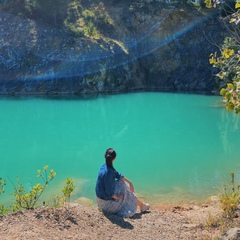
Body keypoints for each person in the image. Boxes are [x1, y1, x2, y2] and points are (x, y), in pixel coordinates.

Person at [95, 148, 150, 217]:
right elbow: (109, 192)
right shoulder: (109, 172)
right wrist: (118, 197)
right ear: (114, 158)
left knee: (122, 183)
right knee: (125, 191)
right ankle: (142, 205)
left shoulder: (104, 166)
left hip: (99, 202)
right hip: (106, 206)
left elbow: (118, 175)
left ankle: (142, 205)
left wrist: (130, 182)